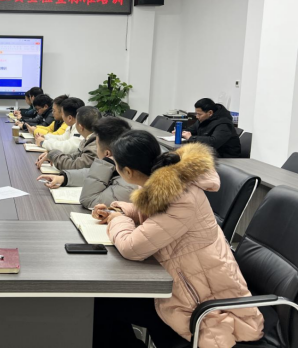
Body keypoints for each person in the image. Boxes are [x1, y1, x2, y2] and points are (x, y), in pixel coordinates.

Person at [91, 131, 263, 348]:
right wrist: (118, 210)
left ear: (128, 171)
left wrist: (117, 220)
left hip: (201, 301)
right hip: (186, 281)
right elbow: (151, 214)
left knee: (103, 304)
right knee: (104, 301)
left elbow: (131, 248)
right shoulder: (167, 184)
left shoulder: (180, 199)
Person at [38, 117, 136, 210]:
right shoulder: (120, 165)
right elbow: (93, 174)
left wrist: (105, 162)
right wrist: (64, 178)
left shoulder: (127, 185)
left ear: (107, 154)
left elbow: (89, 201)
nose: (95, 149)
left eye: (97, 146)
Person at [37, 106, 100, 171]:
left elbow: (74, 166)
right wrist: (54, 156)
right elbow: (76, 156)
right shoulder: (88, 139)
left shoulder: (95, 146)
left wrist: (53, 154)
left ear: (80, 127)